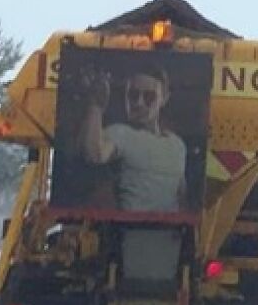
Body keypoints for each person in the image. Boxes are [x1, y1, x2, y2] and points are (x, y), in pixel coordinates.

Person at [77, 63, 187, 213]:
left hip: (169, 232)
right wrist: (96, 106)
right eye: (133, 95)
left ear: (164, 99)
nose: (139, 103)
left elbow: (181, 196)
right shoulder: (120, 134)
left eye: (149, 97)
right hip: (129, 230)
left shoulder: (177, 145)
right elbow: (94, 154)